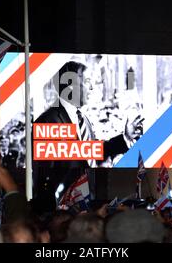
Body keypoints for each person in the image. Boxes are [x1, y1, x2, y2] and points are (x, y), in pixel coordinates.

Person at [34, 60, 144, 198]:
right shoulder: (48, 122)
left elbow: (92, 154)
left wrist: (125, 137)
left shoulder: (83, 119)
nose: (91, 87)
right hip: (61, 208)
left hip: (86, 202)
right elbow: (42, 176)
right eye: (86, 81)